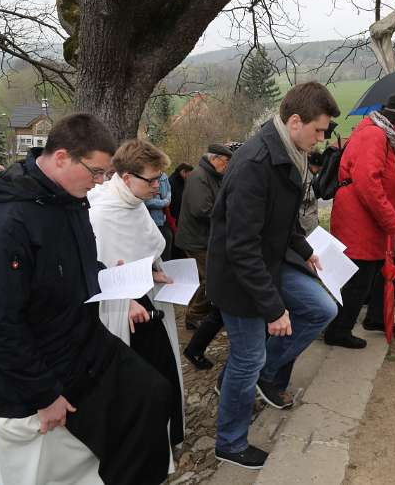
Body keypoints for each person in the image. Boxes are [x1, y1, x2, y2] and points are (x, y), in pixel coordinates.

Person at [0, 113, 174, 485]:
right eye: (95, 172)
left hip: (84, 344)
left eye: (105, 174)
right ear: (62, 157)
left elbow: (74, 264)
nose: (100, 182)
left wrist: (118, 278)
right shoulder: (6, 225)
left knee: (155, 394)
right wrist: (44, 395)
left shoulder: (69, 199)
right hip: (46, 367)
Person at [208, 82, 339, 469]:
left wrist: (306, 250)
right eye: (317, 131)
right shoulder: (256, 163)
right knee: (247, 356)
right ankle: (229, 443)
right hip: (240, 276)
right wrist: (273, 309)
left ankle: (264, 374)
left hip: (271, 260)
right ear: (294, 121)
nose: (320, 140)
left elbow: (280, 221)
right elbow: (241, 246)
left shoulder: (290, 154)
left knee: (321, 309)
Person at [88, 138, 185, 448]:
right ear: (127, 177)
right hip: (122, 310)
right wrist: (125, 295)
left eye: (160, 178)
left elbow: (142, 249)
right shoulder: (103, 213)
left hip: (144, 298)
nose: (158, 186)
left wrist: (152, 272)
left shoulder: (134, 203)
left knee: (165, 369)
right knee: (147, 380)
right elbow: (100, 269)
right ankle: (149, 445)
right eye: (152, 179)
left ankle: (166, 437)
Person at [325, 91, 395, 348]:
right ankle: (338, 330)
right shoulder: (374, 135)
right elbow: (368, 183)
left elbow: (386, 177)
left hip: (368, 218)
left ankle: (376, 317)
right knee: (359, 279)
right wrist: (392, 221)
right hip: (359, 219)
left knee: (384, 270)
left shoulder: (384, 135)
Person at [177, 143, 232, 330]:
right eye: (225, 162)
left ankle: (197, 313)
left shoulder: (212, 175)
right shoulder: (199, 176)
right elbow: (201, 209)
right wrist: (227, 216)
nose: (226, 167)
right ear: (214, 158)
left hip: (204, 237)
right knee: (209, 278)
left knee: (210, 277)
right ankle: (194, 315)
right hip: (196, 239)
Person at [144, 171, 172, 261]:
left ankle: (165, 267)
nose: (157, 186)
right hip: (151, 220)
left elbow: (168, 191)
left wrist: (167, 199)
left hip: (163, 218)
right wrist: (164, 203)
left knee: (167, 239)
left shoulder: (164, 176)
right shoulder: (144, 175)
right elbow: (145, 201)